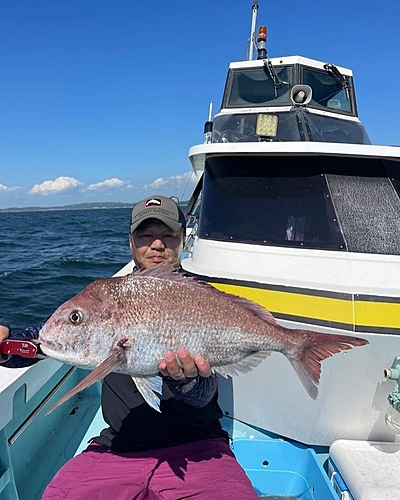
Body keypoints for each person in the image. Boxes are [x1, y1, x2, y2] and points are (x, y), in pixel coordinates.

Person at [0, 195, 258, 500]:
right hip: (118, 446)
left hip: (198, 445)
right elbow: (48, 339)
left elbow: (205, 396)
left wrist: (186, 381)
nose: (157, 244)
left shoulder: (202, 299)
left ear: (183, 238)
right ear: (131, 242)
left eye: (168, 235)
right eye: (146, 235)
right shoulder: (106, 298)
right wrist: (8, 343)